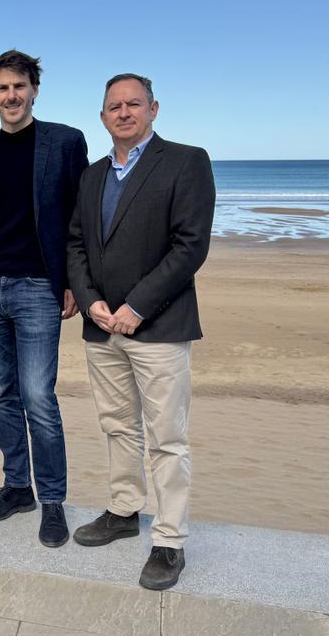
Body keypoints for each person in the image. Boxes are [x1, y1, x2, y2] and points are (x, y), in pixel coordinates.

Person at [66, 73, 215, 590]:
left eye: (134, 104)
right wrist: (91, 302)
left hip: (159, 330)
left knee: (167, 438)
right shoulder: (91, 176)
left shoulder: (186, 161)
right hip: (102, 328)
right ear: (102, 116)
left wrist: (137, 307)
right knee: (117, 426)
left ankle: (169, 540)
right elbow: (77, 245)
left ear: (154, 109)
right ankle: (124, 512)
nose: (124, 112)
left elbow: (190, 246)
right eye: (114, 106)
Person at [0, 50, 88, 547]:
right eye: (1, 89)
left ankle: (53, 500)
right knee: (2, 396)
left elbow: (81, 219)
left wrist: (75, 281)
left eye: (19, 86)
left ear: (34, 89)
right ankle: (18, 488)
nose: (10, 96)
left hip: (39, 286)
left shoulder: (64, 142)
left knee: (39, 397)